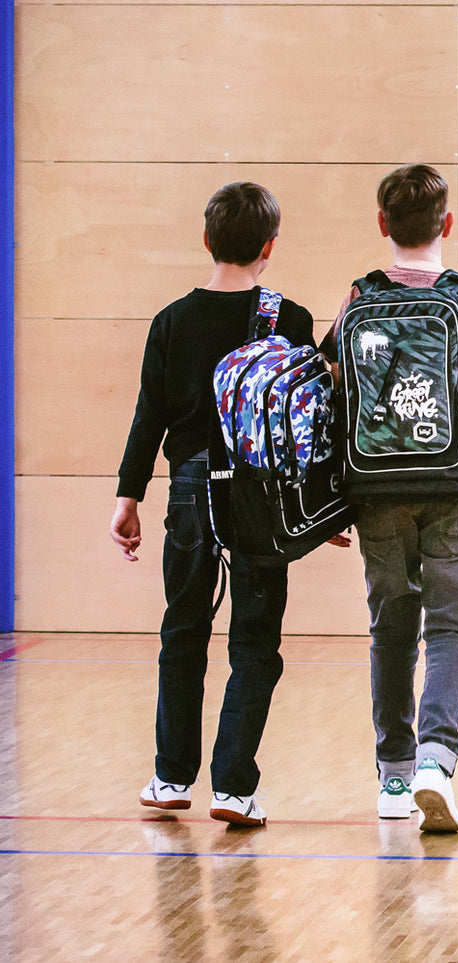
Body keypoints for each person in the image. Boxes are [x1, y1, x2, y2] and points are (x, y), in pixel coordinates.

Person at [323, 164, 458, 832]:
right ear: (447, 224)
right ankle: (437, 760)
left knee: (391, 623)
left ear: (383, 224)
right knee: (449, 625)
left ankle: (393, 772)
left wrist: (328, 498)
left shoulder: (356, 303)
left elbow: (331, 399)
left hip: (376, 489)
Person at [112, 181, 316, 827]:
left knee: (183, 629)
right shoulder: (291, 320)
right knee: (255, 637)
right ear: (269, 247)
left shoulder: (171, 320)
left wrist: (127, 495)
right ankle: (233, 787)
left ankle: (171, 778)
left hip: (190, 492)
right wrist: (322, 509)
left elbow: (149, 417)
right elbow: (306, 423)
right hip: (261, 499)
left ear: (206, 239)